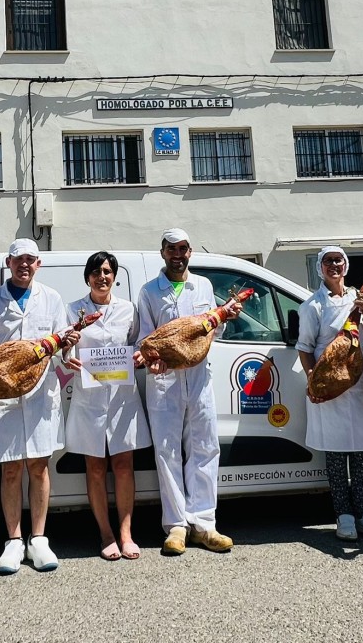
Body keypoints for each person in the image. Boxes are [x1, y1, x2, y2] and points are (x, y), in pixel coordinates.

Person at [0, 238, 77, 574]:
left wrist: (69, 348)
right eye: (19, 260)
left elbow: (63, 343)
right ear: (8, 263)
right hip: (3, 398)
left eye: (31, 260)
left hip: (41, 395)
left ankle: (39, 539)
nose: (24, 265)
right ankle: (14, 541)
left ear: (38, 264)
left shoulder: (52, 299)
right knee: (10, 469)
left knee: (39, 466)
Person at [133, 228, 243, 555]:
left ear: (190, 252)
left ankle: (204, 523)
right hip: (164, 380)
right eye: (171, 249)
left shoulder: (204, 286)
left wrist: (227, 315)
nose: (177, 255)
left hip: (198, 377)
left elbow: (212, 329)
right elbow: (144, 338)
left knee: (205, 446)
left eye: (183, 249)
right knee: (167, 452)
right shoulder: (149, 291)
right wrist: (149, 359)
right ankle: (177, 525)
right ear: (163, 252)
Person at [297, 246, 363, 542]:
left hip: (358, 379)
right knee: (336, 453)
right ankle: (344, 515)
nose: (334, 265)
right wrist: (313, 379)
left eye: (338, 260)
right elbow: (304, 347)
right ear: (320, 268)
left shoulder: (358, 299)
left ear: (346, 266)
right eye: (328, 261)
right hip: (330, 384)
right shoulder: (312, 305)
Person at [64, 251, 152, 561]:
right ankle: (105, 534)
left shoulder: (128, 309)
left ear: (114, 276)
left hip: (122, 400)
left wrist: (140, 356)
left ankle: (127, 534)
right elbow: (66, 349)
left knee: (124, 467)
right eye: (96, 271)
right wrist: (67, 356)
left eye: (107, 271)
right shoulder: (74, 310)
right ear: (87, 277)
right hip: (89, 401)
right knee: (96, 469)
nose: (102, 276)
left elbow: (139, 343)